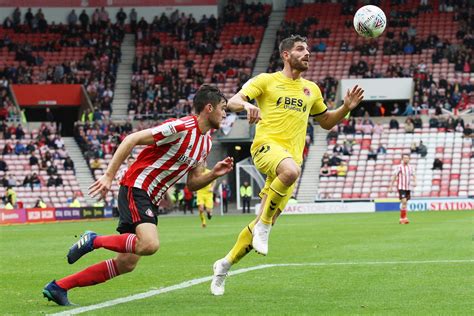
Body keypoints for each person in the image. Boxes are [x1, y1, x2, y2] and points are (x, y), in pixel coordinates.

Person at [43, 85, 233, 306]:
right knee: (149, 244)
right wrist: (108, 176)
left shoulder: (206, 143)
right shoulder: (180, 127)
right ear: (209, 108)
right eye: (223, 108)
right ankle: (93, 240)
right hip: (137, 186)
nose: (225, 114)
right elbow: (131, 139)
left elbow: (192, 183)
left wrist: (213, 174)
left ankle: (59, 287)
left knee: (126, 264)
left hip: (150, 196)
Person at [210, 35, 364, 296]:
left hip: (291, 158)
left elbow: (325, 121)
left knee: (262, 217)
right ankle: (265, 227)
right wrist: (247, 105)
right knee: (289, 174)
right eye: (300, 49)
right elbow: (233, 100)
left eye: (308, 49)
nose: (307, 54)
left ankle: (223, 266)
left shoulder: (311, 89)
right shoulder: (266, 81)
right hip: (266, 148)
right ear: (285, 55)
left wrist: (345, 108)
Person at [390, 154, 416, 224]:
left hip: (408, 187)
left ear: (409, 159)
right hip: (401, 187)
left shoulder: (411, 167)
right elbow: (394, 176)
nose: (406, 159)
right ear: (402, 159)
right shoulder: (399, 167)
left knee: (405, 203)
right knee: (404, 201)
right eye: (404, 158)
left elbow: (414, 175)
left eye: (407, 158)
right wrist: (391, 186)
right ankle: (403, 218)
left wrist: (415, 182)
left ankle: (403, 218)